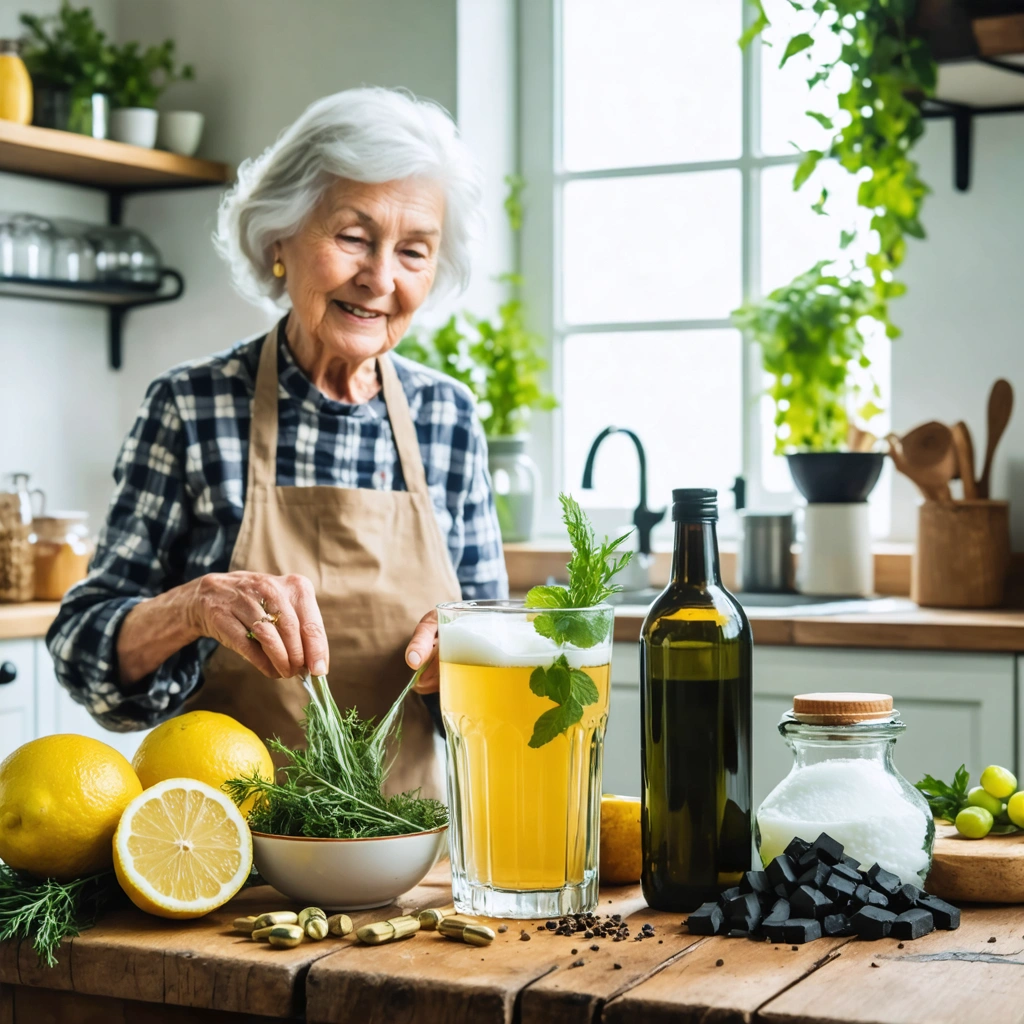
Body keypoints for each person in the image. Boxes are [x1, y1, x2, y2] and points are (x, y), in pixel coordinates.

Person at [47, 88, 507, 797]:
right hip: (220, 860)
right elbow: (84, 656)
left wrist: (475, 660)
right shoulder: (192, 408)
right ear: (279, 240)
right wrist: (190, 608)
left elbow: (493, 705)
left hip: (410, 872)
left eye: (413, 251)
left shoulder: (447, 418)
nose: (380, 278)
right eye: (353, 237)